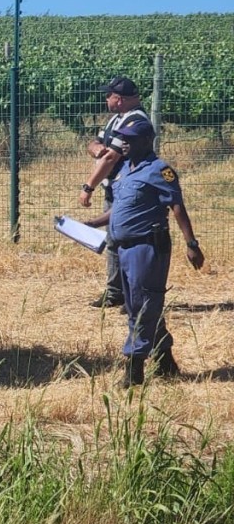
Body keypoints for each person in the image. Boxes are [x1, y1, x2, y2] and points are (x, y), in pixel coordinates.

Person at [82, 120, 204, 387]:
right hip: (124, 249)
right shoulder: (125, 169)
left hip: (147, 246)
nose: (124, 143)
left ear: (147, 140)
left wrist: (191, 245)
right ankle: (165, 359)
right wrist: (93, 223)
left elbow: (177, 207)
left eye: (131, 139)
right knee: (138, 304)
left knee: (142, 306)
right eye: (122, 138)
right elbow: (120, 209)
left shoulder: (160, 171)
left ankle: (133, 368)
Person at [78, 76, 150, 309]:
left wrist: (88, 187)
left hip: (128, 191)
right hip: (114, 189)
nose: (106, 98)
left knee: (125, 241)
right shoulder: (115, 120)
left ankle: (131, 296)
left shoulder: (134, 122)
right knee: (113, 241)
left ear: (119, 99)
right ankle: (116, 293)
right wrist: (97, 148)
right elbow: (95, 144)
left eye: (108, 95)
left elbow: (111, 157)